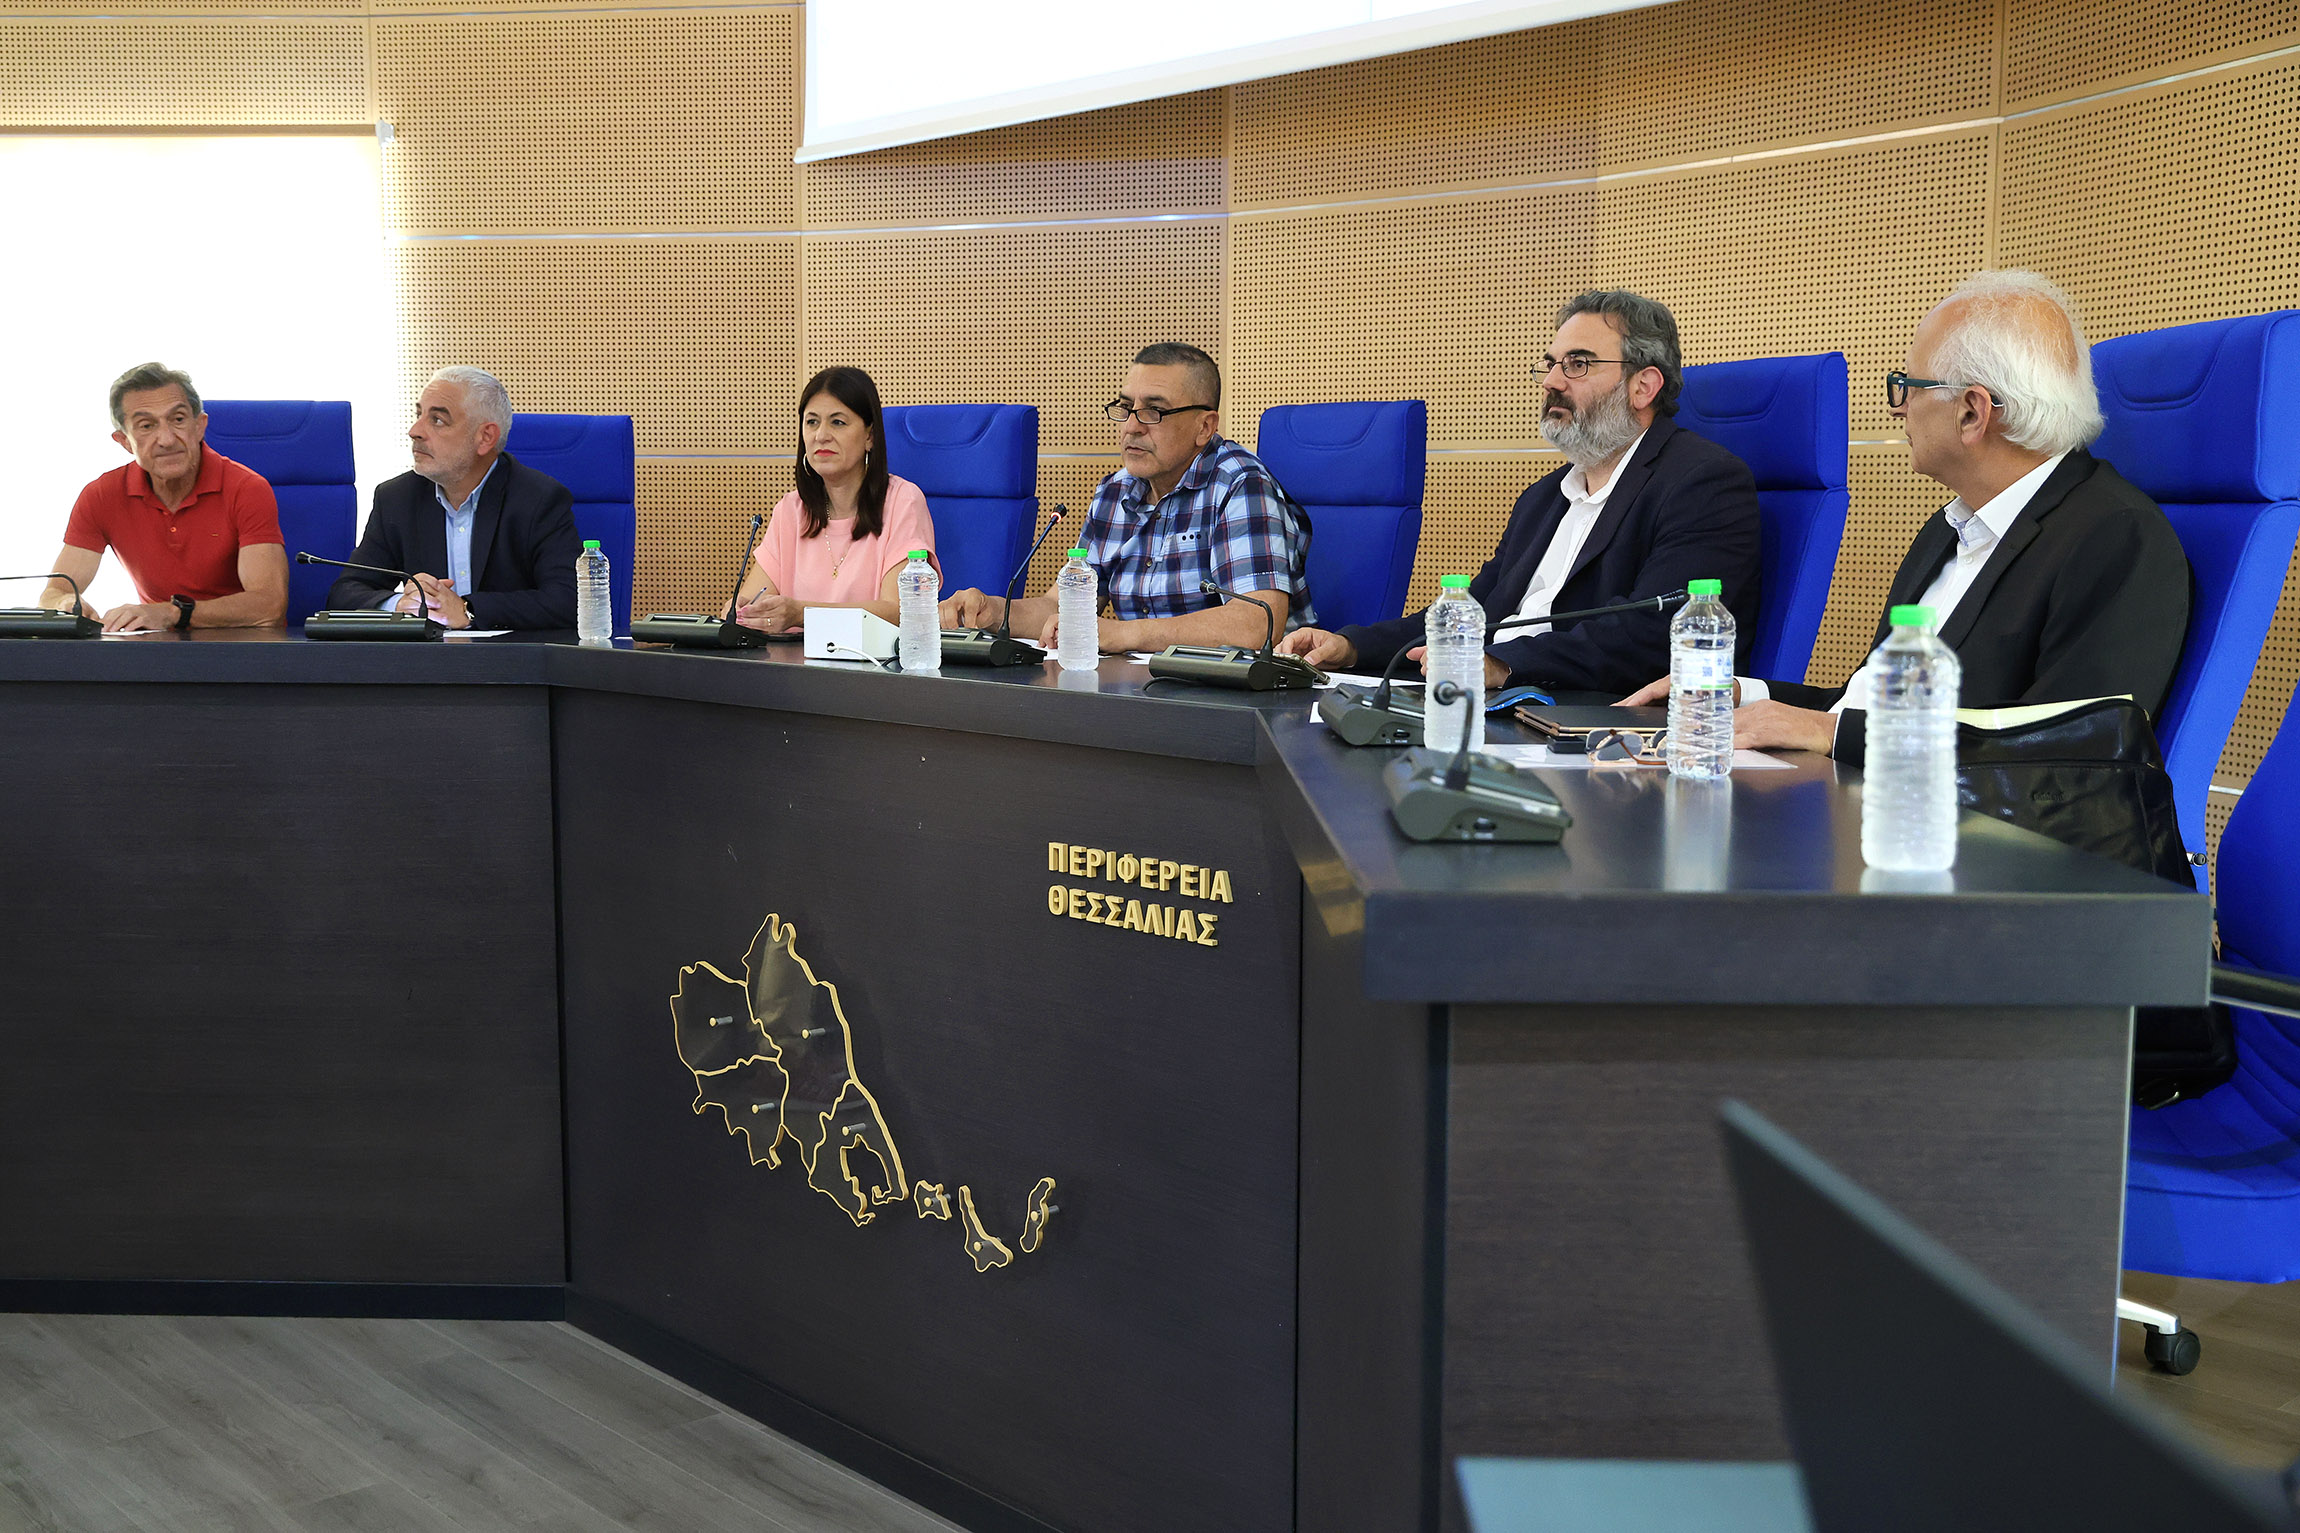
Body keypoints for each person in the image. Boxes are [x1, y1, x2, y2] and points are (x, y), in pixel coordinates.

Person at [1624, 270, 2190, 762]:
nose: (1898, 408)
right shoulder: (1948, 529)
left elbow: (2068, 753)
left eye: (1907, 386)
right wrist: (1743, 695)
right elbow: (1865, 708)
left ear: (1972, 412)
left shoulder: (2115, 537)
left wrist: (1829, 733)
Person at [1276, 291, 1760, 698]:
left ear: (1643, 386)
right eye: (1551, 364)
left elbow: (1656, 636)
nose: (1551, 382)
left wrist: (1503, 665)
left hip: (1586, 718)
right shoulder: (1543, 498)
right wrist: (1352, 647)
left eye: (1577, 364)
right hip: (1492, 698)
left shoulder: (1702, 482)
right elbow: (1472, 611)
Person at [937, 343, 1314, 653]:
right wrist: (992, 611)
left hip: (1250, 693)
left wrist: (1124, 634)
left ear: (1204, 427)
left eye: (1154, 411)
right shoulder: (1115, 491)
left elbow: (1256, 622)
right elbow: (1061, 606)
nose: (1131, 426)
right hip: (1145, 686)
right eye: (1126, 408)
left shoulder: (1240, 483)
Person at [328, 367, 582, 630]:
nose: (415, 431)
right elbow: (345, 593)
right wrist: (399, 604)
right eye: (419, 415)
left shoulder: (539, 499)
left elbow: (569, 600)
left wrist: (466, 609)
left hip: (510, 654)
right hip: (424, 655)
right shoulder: (396, 498)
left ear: (485, 437)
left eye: (437, 420)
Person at [41, 362, 288, 633]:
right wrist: (65, 604)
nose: (167, 439)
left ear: (200, 426)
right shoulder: (100, 495)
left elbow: (269, 606)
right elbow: (54, 592)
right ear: (124, 441)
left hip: (245, 647)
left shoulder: (247, 488)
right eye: (146, 426)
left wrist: (172, 613)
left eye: (178, 420)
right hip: (158, 650)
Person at [728, 367, 938, 632]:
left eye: (837, 422)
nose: (821, 435)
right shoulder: (791, 510)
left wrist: (802, 614)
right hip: (793, 658)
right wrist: (742, 612)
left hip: (873, 658)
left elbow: (900, 611)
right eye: (812, 422)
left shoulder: (902, 501)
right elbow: (752, 602)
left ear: (870, 436)